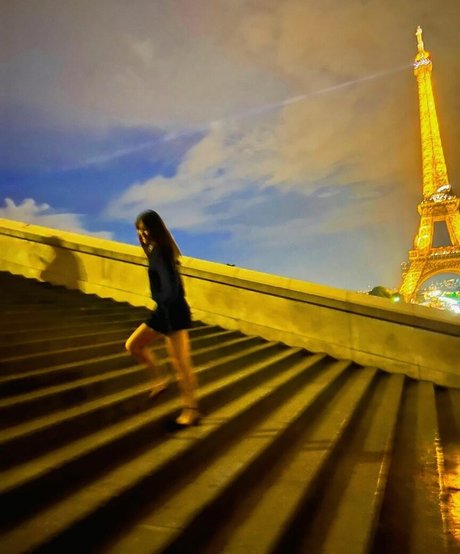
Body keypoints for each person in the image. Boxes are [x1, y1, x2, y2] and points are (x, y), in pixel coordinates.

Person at [125, 210, 200, 427]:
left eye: (145, 229)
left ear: (155, 229)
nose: (142, 234)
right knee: (133, 345)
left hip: (172, 310)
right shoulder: (157, 251)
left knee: (181, 364)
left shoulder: (160, 251)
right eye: (139, 231)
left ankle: (191, 410)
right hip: (163, 310)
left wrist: (166, 307)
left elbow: (171, 287)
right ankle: (159, 380)